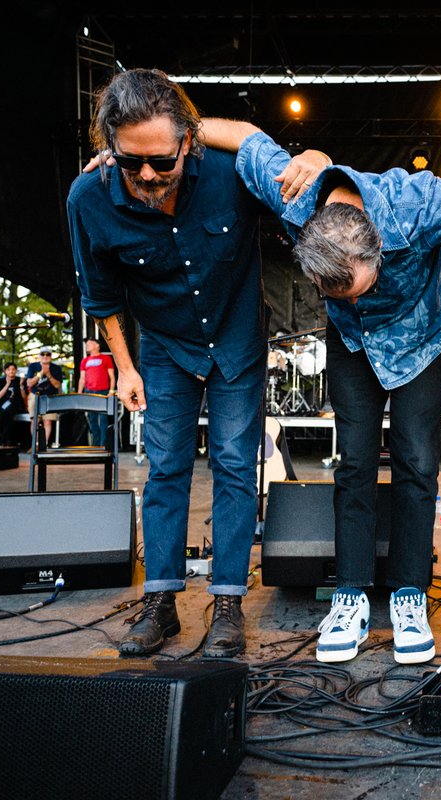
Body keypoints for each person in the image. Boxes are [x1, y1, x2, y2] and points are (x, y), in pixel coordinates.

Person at [198, 116, 441, 665]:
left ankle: (410, 594)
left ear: (376, 252)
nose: (352, 297)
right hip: (353, 347)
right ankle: (350, 595)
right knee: (353, 464)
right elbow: (246, 137)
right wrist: (150, 141)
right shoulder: (297, 197)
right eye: (333, 292)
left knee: (417, 462)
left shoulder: (422, 204)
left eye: (357, 288)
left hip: (423, 343)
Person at [68, 69, 325, 659]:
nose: (148, 176)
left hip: (236, 340)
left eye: (161, 159)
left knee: (236, 466)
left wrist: (315, 155)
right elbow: (101, 297)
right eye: (131, 163)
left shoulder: (228, 170)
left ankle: (228, 603)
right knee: (165, 470)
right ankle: (161, 603)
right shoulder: (88, 198)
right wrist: (125, 368)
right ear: (109, 147)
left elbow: (287, 173)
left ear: (189, 140)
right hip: (162, 347)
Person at [77, 336, 116, 447]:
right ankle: (95, 444)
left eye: (89, 343)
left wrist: (111, 391)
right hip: (89, 392)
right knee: (92, 419)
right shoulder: (85, 361)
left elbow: (112, 376)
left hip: (103, 392)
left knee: (103, 419)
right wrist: (80, 394)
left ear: (97, 345)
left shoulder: (106, 358)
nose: (87, 345)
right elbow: (82, 379)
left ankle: (103, 445)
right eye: (86, 344)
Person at [25, 347, 63, 443]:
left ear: (51, 356)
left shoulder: (56, 368)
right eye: (43, 354)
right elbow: (29, 383)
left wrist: (48, 374)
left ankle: (44, 444)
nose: (45, 356)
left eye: (48, 354)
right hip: (35, 395)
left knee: (48, 421)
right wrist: (41, 373)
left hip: (50, 397)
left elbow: (57, 385)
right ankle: (36, 444)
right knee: (34, 421)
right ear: (39, 356)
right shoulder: (33, 366)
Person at [0, 362, 25, 446]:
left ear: (16, 370)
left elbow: (24, 397)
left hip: (15, 403)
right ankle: (0, 437)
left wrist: (21, 386)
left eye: (13, 369)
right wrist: (7, 384)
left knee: (8, 411)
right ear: (5, 371)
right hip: (2, 403)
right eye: (8, 369)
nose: (11, 371)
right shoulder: (1, 380)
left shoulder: (19, 380)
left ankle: (5, 438)